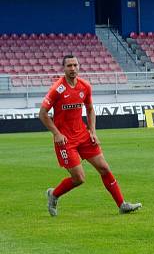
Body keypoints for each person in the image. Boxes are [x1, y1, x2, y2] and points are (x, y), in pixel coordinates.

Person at [40, 55, 142, 216]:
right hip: (65, 140)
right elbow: (42, 113)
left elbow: (90, 109)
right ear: (64, 68)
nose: (72, 69)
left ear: (79, 67)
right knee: (79, 178)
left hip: (83, 135)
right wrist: (57, 134)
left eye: (75, 65)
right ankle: (54, 194)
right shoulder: (57, 89)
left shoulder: (85, 86)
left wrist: (93, 131)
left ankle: (122, 204)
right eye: (69, 66)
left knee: (104, 168)